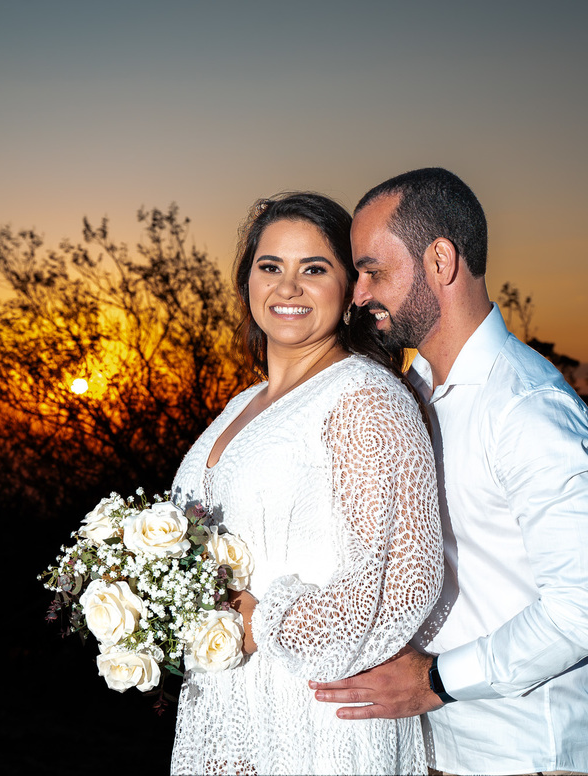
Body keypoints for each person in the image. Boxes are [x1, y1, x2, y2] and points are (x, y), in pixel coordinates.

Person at [310, 168, 588, 776]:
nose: (358, 294)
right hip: (436, 752)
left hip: (528, 757)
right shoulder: (412, 392)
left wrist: (435, 681)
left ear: (440, 260)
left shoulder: (527, 408)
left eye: (374, 270)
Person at [167, 192, 444, 776]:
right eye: (271, 267)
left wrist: (262, 622)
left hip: (318, 728)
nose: (287, 287)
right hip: (229, 716)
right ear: (247, 283)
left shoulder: (366, 401)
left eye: (313, 270)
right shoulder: (240, 406)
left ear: (349, 293)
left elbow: (405, 580)